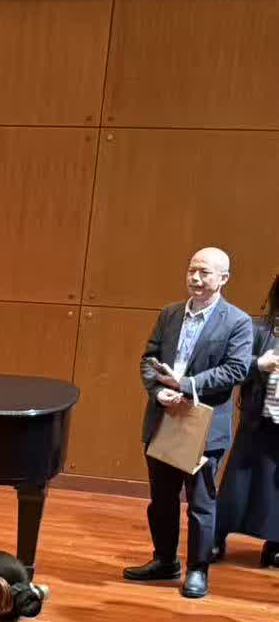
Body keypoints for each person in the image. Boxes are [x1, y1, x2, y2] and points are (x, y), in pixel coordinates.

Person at [124, 246, 254, 600]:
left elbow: (236, 370)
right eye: (192, 270)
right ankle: (165, 561)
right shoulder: (169, 313)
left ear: (223, 278)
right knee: (161, 499)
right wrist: (158, 392)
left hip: (204, 424)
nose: (195, 278)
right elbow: (149, 358)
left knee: (200, 503)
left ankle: (198, 569)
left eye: (204, 272)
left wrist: (187, 385)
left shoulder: (238, 321)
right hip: (164, 417)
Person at [213, 274, 279, 574]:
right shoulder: (258, 329)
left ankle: (275, 543)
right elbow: (237, 365)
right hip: (257, 418)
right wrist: (261, 365)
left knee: (275, 485)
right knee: (238, 481)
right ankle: (217, 535)